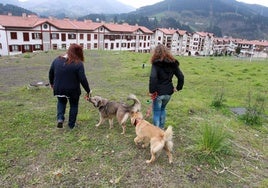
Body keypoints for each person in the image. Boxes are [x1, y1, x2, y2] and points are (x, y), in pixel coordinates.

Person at [49, 44, 91, 129]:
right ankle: (71, 125)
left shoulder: (56, 60)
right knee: (74, 105)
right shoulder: (78, 63)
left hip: (59, 88)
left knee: (61, 102)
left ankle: (60, 119)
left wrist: (52, 84)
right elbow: (82, 79)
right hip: (73, 90)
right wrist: (88, 90)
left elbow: (50, 73)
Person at [149, 44, 184, 129]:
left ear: (155, 53)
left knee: (157, 111)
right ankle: (161, 130)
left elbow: (153, 78)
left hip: (158, 93)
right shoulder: (173, 64)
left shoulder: (156, 64)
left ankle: (156, 133)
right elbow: (181, 76)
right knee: (162, 109)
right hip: (168, 92)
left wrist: (152, 91)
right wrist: (178, 87)